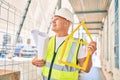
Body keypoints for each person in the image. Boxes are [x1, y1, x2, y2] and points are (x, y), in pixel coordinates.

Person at [32, 8, 97, 80]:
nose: (52, 21)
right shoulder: (48, 40)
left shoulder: (77, 44)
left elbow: (86, 69)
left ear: (66, 23)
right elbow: (37, 57)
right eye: (53, 19)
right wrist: (34, 61)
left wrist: (89, 54)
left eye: (56, 19)